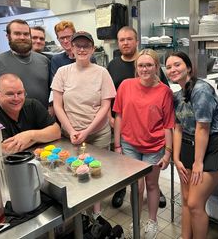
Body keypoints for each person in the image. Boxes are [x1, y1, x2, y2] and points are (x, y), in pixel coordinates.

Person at [51, 31, 116, 219]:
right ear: (71, 48)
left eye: (86, 46)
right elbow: (57, 104)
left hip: (98, 133)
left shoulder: (102, 73)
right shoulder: (63, 72)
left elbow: (106, 106)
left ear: (93, 49)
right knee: (75, 170)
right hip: (71, 133)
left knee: (96, 171)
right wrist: (71, 130)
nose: (81, 49)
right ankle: (80, 211)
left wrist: (88, 131)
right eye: (77, 45)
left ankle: (96, 212)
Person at [165, 51, 218, 239]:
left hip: (210, 147)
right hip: (187, 145)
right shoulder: (177, 95)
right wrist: (176, 158)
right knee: (185, 199)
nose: (172, 69)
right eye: (168, 67)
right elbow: (177, 127)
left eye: (177, 65)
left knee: (194, 203)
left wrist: (198, 162)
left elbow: (203, 128)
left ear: (189, 67)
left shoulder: (201, 90)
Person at [113, 49, 174, 239]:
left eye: (149, 65)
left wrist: (167, 152)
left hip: (154, 146)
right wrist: (117, 145)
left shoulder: (164, 91)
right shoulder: (126, 85)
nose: (144, 69)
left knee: (152, 184)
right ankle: (136, 219)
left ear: (156, 67)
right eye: (141, 65)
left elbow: (168, 125)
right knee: (136, 187)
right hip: (129, 144)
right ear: (136, 67)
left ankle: (152, 221)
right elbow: (119, 115)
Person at [107, 26, 168, 209]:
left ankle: (155, 191)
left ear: (136, 41)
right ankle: (121, 190)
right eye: (122, 40)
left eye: (129, 39)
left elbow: (162, 93)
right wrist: (112, 118)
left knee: (149, 177)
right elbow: (111, 95)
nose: (125, 43)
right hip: (125, 129)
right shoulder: (113, 65)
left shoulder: (148, 60)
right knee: (129, 174)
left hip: (150, 134)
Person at [0, 19, 50, 108]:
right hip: (13, 120)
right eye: (17, 34)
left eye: (26, 34)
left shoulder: (44, 60)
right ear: (8, 36)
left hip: (43, 117)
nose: (22, 37)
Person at [0, 74, 61, 154]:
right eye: (10, 94)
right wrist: (40, 137)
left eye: (20, 93)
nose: (16, 98)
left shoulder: (32, 105)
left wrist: (30, 135)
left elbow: (56, 132)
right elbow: (6, 149)